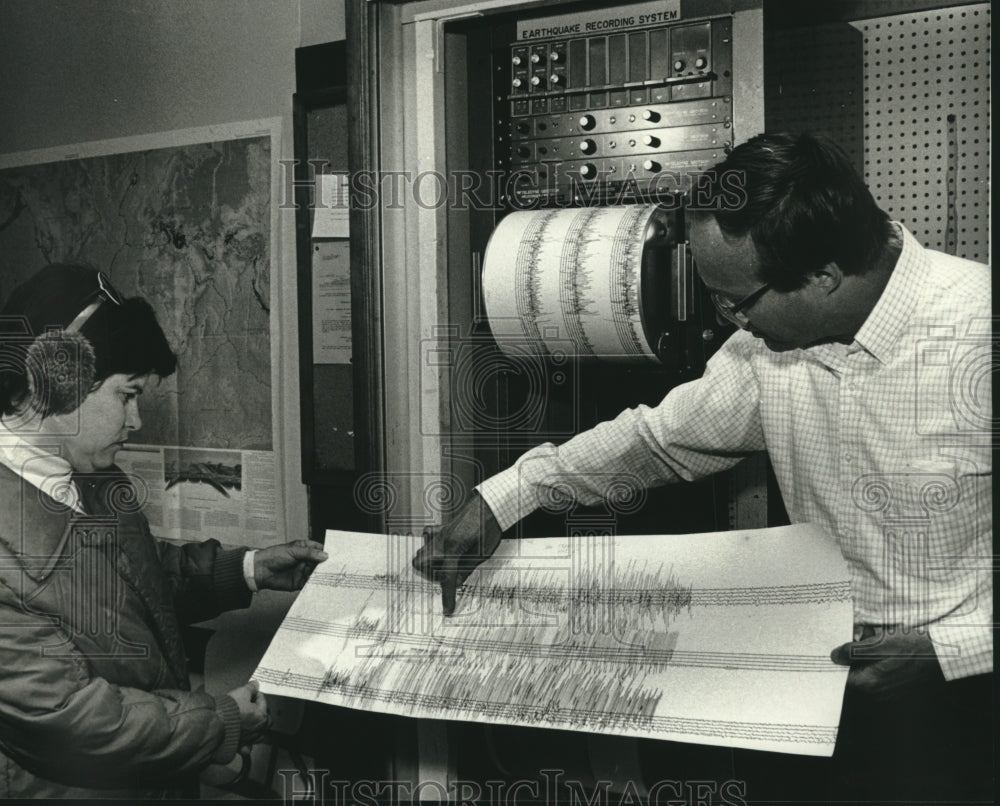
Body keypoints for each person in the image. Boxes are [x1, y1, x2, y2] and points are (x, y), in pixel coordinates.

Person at [413, 132, 992, 802]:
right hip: (813, 683)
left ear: (825, 276)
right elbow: (657, 441)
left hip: (959, 703)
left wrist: (948, 650)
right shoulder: (770, 347)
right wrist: (503, 498)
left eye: (738, 301)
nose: (727, 322)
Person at [0, 264, 328, 799]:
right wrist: (219, 723)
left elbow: (129, 582)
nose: (136, 422)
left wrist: (246, 570)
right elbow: (72, 719)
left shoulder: (89, 476)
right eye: (126, 395)